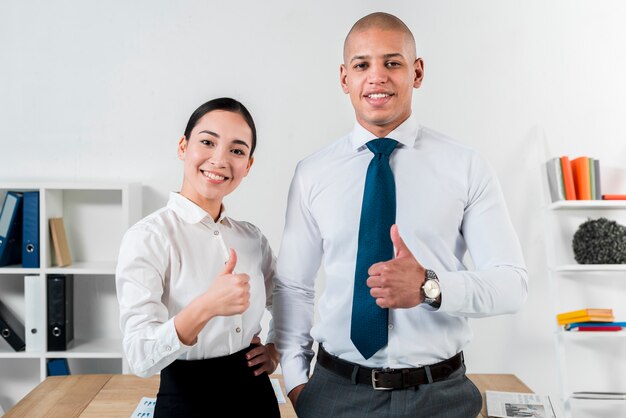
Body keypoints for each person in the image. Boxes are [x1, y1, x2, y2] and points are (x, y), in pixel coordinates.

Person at [272, 12, 528, 418]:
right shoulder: (312, 173)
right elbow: (293, 286)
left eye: (393, 63)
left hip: (441, 397)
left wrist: (431, 287)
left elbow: (512, 283)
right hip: (335, 394)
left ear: (417, 72)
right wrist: (296, 382)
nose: (377, 77)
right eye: (362, 65)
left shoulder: (465, 166)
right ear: (344, 79)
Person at [115, 97, 280, 417]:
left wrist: (276, 348)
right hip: (186, 400)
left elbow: (287, 298)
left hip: (256, 397)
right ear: (183, 147)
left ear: (248, 165)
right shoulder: (148, 237)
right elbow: (140, 357)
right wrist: (207, 306)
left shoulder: (251, 238)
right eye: (207, 142)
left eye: (236, 150)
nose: (219, 160)